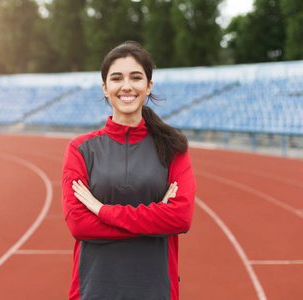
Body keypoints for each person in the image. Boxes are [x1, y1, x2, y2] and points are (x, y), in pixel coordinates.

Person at [61, 41, 196, 300]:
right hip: (94, 289)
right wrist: (156, 219)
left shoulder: (173, 147)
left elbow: (180, 218)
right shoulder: (80, 149)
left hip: (156, 289)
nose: (126, 86)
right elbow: (79, 225)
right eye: (116, 78)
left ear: (148, 86)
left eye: (136, 77)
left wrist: (102, 210)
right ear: (105, 88)